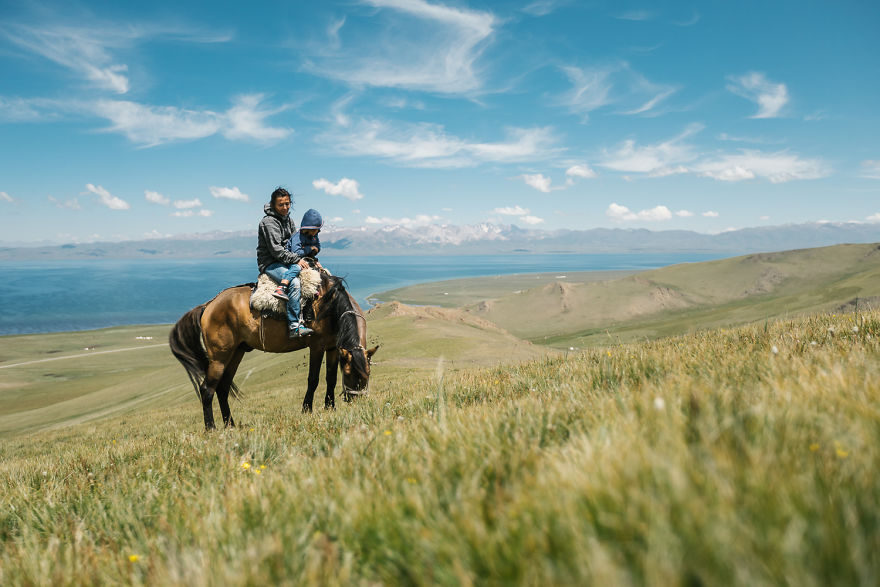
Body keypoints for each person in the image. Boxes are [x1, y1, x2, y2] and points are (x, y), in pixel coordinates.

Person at [256, 187, 313, 338]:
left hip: (285, 260)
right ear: (273, 205)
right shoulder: (268, 222)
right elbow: (276, 250)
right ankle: (294, 326)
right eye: (281, 204)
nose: (285, 207)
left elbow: (294, 245)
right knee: (294, 282)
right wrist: (296, 259)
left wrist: (308, 258)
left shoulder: (289, 220)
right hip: (270, 263)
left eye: (287, 204)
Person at [272, 209, 323, 319]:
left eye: (318, 230)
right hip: (292, 260)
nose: (317, 232)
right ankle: (282, 286)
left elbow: (318, 247)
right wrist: (310, 248)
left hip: (306, 258)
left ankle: (314, 292)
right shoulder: (297, 237)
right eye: (315, 230)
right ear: (308, 229)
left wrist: (310, 249)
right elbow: (296, 252)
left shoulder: (315, 235)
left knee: (320, 272)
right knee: (296, 268)